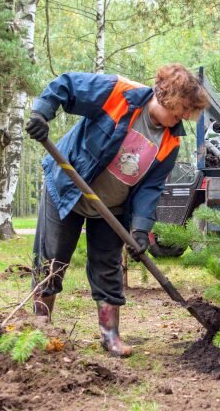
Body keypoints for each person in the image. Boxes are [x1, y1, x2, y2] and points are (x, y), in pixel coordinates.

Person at [26, 64, 209, 357]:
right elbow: (67, 85)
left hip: (112, 207)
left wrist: (140, 229)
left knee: (108, 266)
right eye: (183, 109)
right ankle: (40, 327)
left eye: (189, 112)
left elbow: (150, 188)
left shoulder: (171, 141)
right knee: (52, 258)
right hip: (67, 188)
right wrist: (41, 113)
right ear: (167, 96)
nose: (184, 117)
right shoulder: (119, 93)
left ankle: (110, 336)